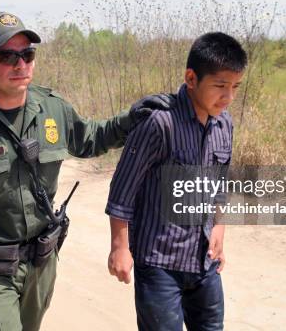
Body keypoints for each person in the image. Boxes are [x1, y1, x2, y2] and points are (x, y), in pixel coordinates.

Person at [0, 11, 173, 331]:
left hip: (42, 264)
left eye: (27, 54)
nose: (20, 64)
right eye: (6, 56)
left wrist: (131, 118)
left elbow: (90, 139)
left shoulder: (53, 108)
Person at [105, 32, 247, 331]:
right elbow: (122, 190)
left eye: (235, 87)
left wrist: (220, 230)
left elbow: (220, 184)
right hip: (159, 264)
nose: (228, 96)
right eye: (220, 86)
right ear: (191, 78)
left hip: (204, 261)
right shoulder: (160, 123)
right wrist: (119, 247)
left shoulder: (225, 123)